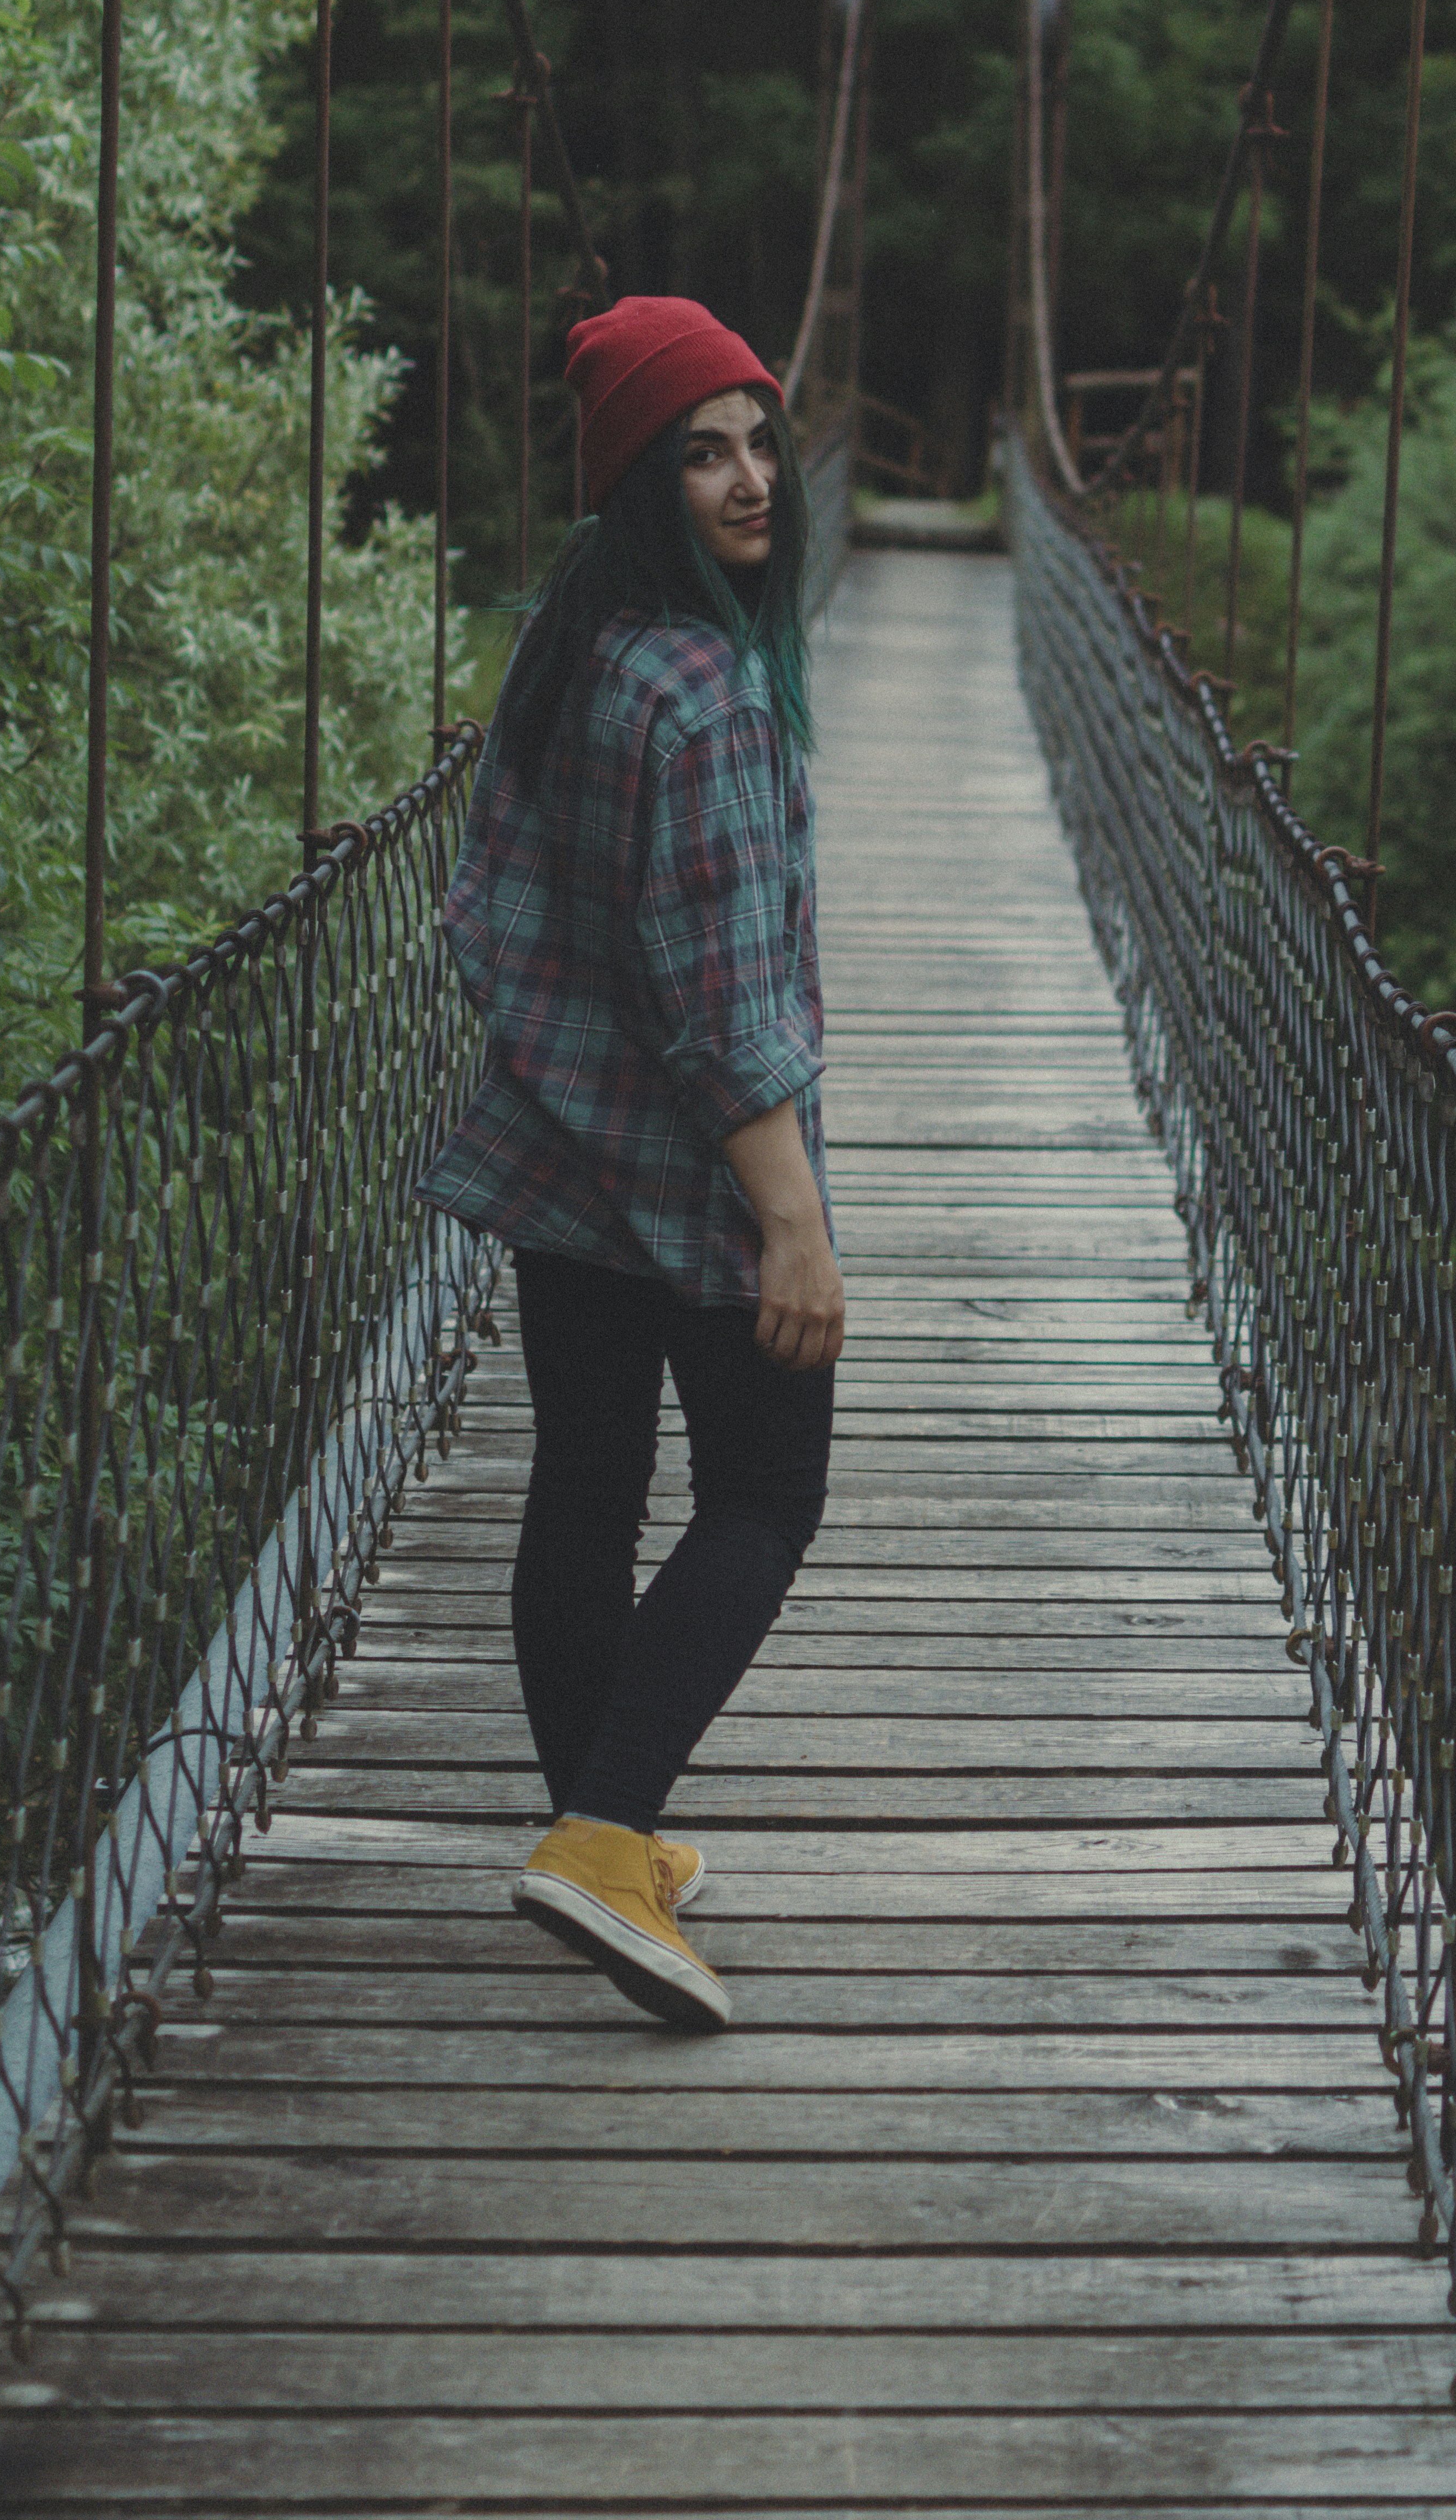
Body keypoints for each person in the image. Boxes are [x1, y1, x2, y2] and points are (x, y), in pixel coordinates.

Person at [420, 294, 844, 2032]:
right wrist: (794, 1223)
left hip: (557, 1153)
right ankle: (605, 1838)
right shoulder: (710, 698)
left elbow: (514, 908)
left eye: (761, 437)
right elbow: (726, 1004)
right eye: (702, 451)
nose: (751, 479)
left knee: (586, 1486)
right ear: (636, 482)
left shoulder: (570, 652)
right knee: (764, 1498)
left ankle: (599, 1835)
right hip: (689, 1183)